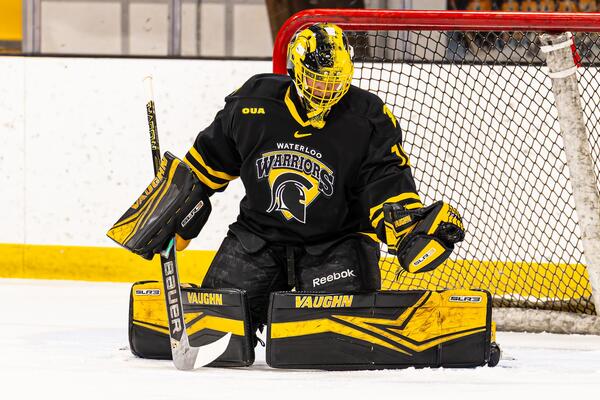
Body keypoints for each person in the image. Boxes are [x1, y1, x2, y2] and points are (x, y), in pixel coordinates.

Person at [109, 23, 465, 343]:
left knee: (340, 334)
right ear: (295, 72)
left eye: (335, 78)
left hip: (336, 241)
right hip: (259, 238)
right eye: (316, 79)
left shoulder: (367, 116)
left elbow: (386, 180)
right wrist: (174, 207)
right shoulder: (253, 104)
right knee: (217, 328)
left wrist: (405, 227)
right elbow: (206, 165)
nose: (326, 88)